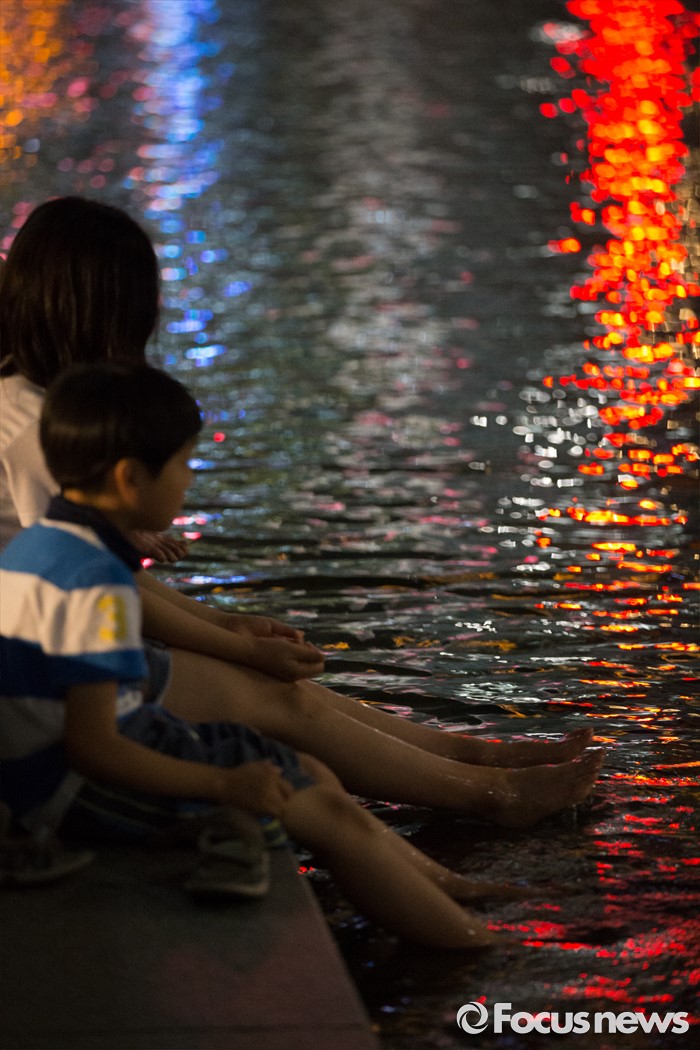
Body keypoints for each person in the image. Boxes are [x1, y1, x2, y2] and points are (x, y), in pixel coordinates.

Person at [0, 197, 604, 817]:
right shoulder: (37, 433)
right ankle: (491, 796)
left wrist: (225, 627)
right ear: (106, 312)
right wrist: (236, 645)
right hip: (41, 680)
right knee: (277, 697)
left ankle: (473, 757)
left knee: (284, 689)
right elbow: (103, 583)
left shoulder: (33, 404)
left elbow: (106, 574)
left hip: (50, 649)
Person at [0, 362, 603, 946]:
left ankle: (453, 888)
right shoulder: (98, 587)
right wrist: (223, 784)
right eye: (184, 464)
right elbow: (95, 747)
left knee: (311, 773)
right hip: (64, 788)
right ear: (131, 479)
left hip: (47, 762)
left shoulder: (40, 547)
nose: (189, 480)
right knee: (321, 809)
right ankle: (479, 949)